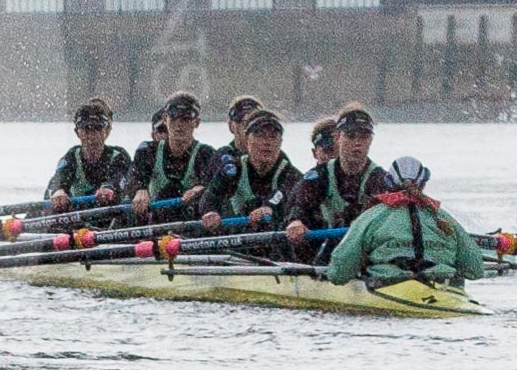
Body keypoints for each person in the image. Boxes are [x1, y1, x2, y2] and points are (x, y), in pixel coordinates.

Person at [324, 156, 486, 287]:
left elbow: (339, 274)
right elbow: (475, 269)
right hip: (444, 285)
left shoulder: (370, 217)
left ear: (388, 182)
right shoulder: (445, 218)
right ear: (423, 183)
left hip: (388, 283)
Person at [284, 103, 391, 247]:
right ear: (337, 138)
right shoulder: (319, 175)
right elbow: (299, 203)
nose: (357, 143)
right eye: (350, 136)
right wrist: (296, 221)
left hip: (369, 250)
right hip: (333, 245)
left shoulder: (380, 179)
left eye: (363, 137)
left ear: (371, 140)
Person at [200, 108, 299, 233]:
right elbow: (210, 196)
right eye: (260, 136)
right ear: (247, 140)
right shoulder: (233, 169)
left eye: (273, 137)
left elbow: (281, 194)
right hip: (240, 235)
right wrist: (210, 212)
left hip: (277, 240)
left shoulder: (291, 174)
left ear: (281, 142)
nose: (267, 142)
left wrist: (269, 207)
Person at [129, 91, 218, 219]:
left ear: (197, 122)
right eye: (174, 117)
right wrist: (139, 189)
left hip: (191, 223)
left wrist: (201, 189)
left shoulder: (206, 154)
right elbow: (133, 177)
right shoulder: (147, 151)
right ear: (165, 120)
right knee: (166, 193)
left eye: (186, 119)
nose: (179, 124)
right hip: (155, 221)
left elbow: (215, 187)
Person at [44, 97, 132, 214]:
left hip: (112, 217)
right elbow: (59, 178)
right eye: (86, 129)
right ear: (77, 132)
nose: (92, 135)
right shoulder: (71, 157)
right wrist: (58, 190)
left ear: (106, 130)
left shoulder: (119, 156)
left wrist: (109, 187)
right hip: (79, 221)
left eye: (97, 128)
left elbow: (118, 177)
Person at [218, 96, 263, 161]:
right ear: (231, 126)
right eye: (242, 122)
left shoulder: (277, 159)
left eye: (253, 123)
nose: (247, 128)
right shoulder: (221, 158)